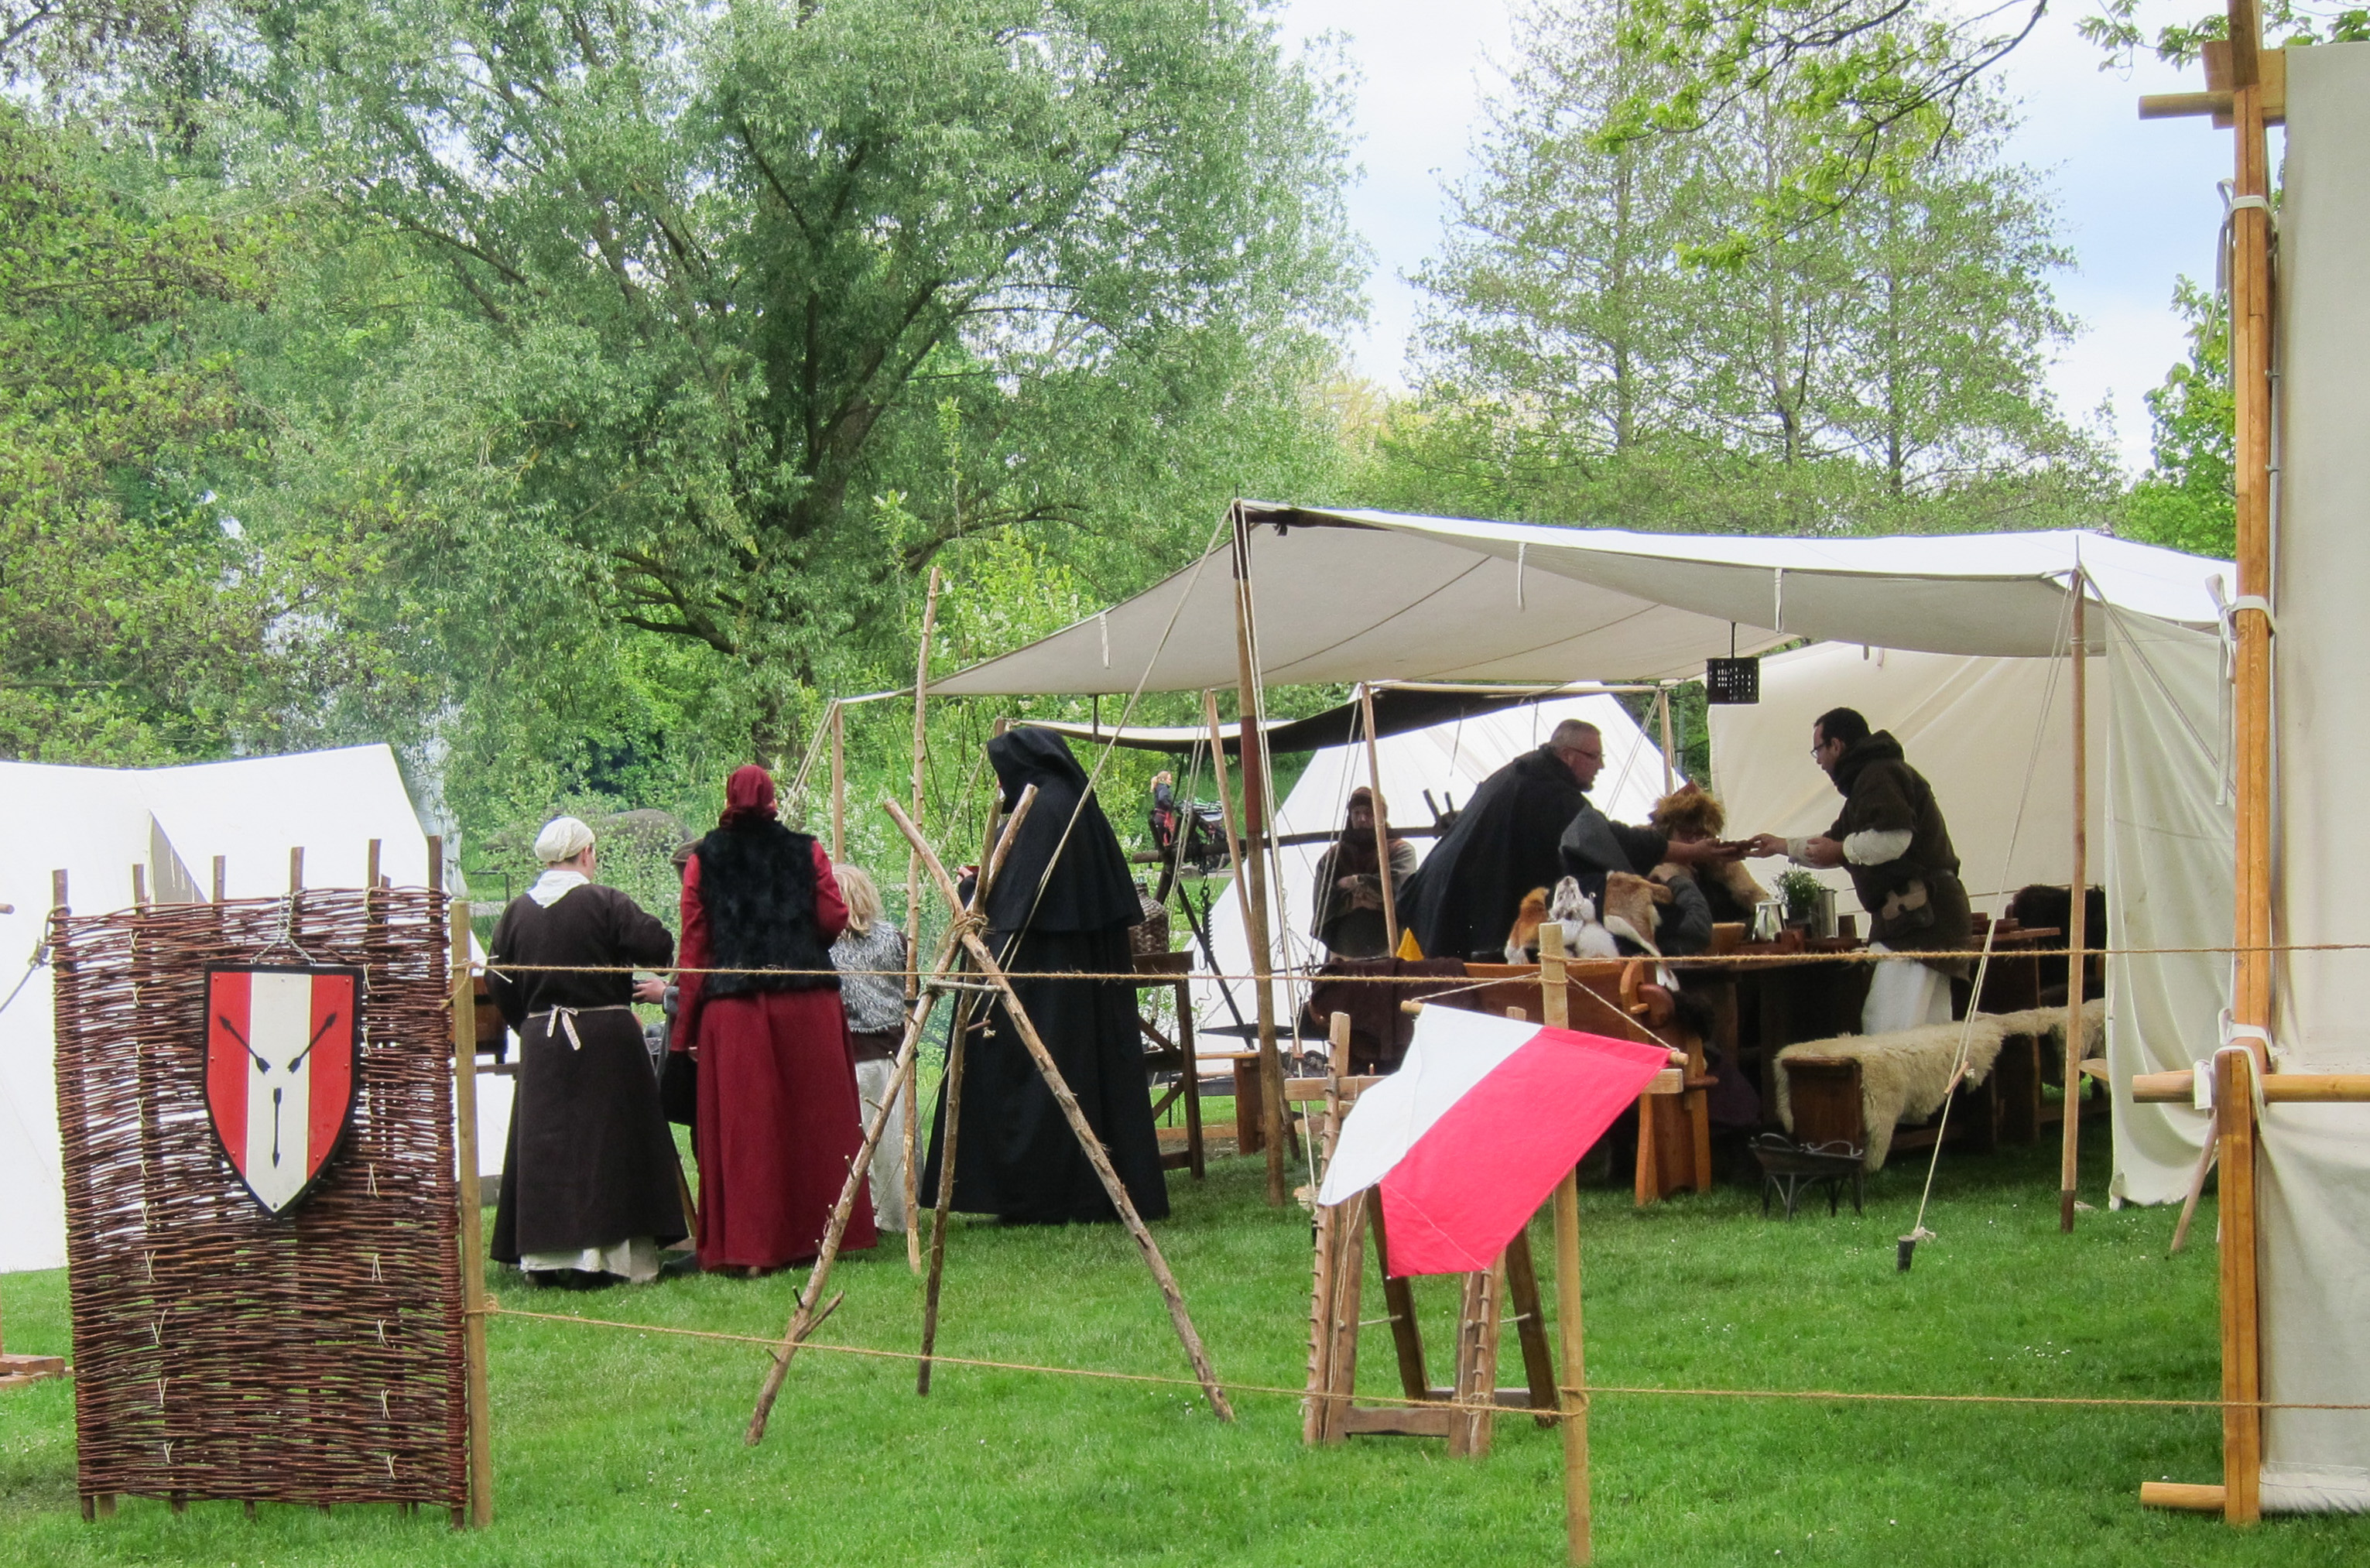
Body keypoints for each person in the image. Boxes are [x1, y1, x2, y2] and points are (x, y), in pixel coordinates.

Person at [921, 728, 1169, 1224]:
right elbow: (1036, 890)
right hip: (1083, 981)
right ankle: (1094, 1188)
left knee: (1021, 1068)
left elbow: (1010, 908)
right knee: (1091, 1073)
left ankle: (1035, 1192)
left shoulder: (1042, 809)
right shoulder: (1077, 806)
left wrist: (973, 885)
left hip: (1039, 981)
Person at [674, 765, 875, 1274]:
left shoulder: (703, 860)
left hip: (735, 1009)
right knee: (816, 1120)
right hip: (807, 1002)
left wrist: (684, 1032)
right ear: (771, 799)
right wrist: (801, 944)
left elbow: (695, 949)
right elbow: (833, 919)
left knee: (748, 1126)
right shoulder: (805, 850)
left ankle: (751, 1246)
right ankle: (825, 1236)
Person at [487, 816, 686, 1287]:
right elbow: (659, 948)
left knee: (551, 1150)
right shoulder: (605, 901)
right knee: (606, 1147)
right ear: (587, 853)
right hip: (606, 1045)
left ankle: (548, 1261)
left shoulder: (515, 913)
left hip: (544, 1046)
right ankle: (612, 1261)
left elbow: (498, 983)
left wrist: (532, 1026)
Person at [1403, 717, 1731, 960]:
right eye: (1595, 757)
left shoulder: (1525, 775)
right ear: (1569, 755)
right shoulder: (1546, 789)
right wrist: (1689, 852)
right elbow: (1607, 838)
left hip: (1440, 898)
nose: (1600, 766)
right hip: (1454, 904)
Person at [1745, 707, 1971, 1033]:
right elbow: (1833, 844)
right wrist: (1781, 846)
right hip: (1925, 920)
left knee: (1891, 1029)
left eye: (1818, 751)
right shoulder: (1873, 777)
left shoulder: (1878, 774)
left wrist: (1840, 850)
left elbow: (1894, 839)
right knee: (1926, 1033)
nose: (1820, 761)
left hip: (1921, 923)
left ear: (1836, 745)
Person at [829, 862, 911, 1234]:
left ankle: (872, 1214)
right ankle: (897, 1214)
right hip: (896, 1049)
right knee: (894, 1138)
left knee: (862, 1137)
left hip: (857, 1053)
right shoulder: (895, 937)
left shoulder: (825, 948)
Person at [1310, 786, 1417, 959]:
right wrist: (1357, 901)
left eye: (1369, 813)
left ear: (1381, 816)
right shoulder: (1332, 858)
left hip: (1389, 948)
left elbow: (1399, 891)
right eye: (1356, 813)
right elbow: (1322, 903)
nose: (1361, 818)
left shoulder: (1400, 851)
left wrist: (1356, 882)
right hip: (1343, 952)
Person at [1649, 783, 1770, 928]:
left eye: (1701, 834)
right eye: (1686, 834)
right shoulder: (1655, 876)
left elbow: (1756, 914)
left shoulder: (1724, 873)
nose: (1694, 841)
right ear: (1668, 834)